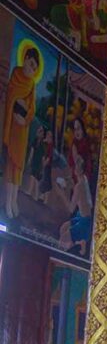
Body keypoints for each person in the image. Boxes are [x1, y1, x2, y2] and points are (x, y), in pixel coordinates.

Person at [3, 46, 39, 218]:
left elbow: (32, 108)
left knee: (18, 166)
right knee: (10, 164)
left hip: (22, 129)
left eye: (35, 68)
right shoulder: (15, 74)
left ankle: (14, 201)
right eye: (31, 64)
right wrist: (17, 102)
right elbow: (10, 95)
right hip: (12, 126)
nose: (31, 69)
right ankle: (7, 202)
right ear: (25, 59)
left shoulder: (31, 84)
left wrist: (25, 119)